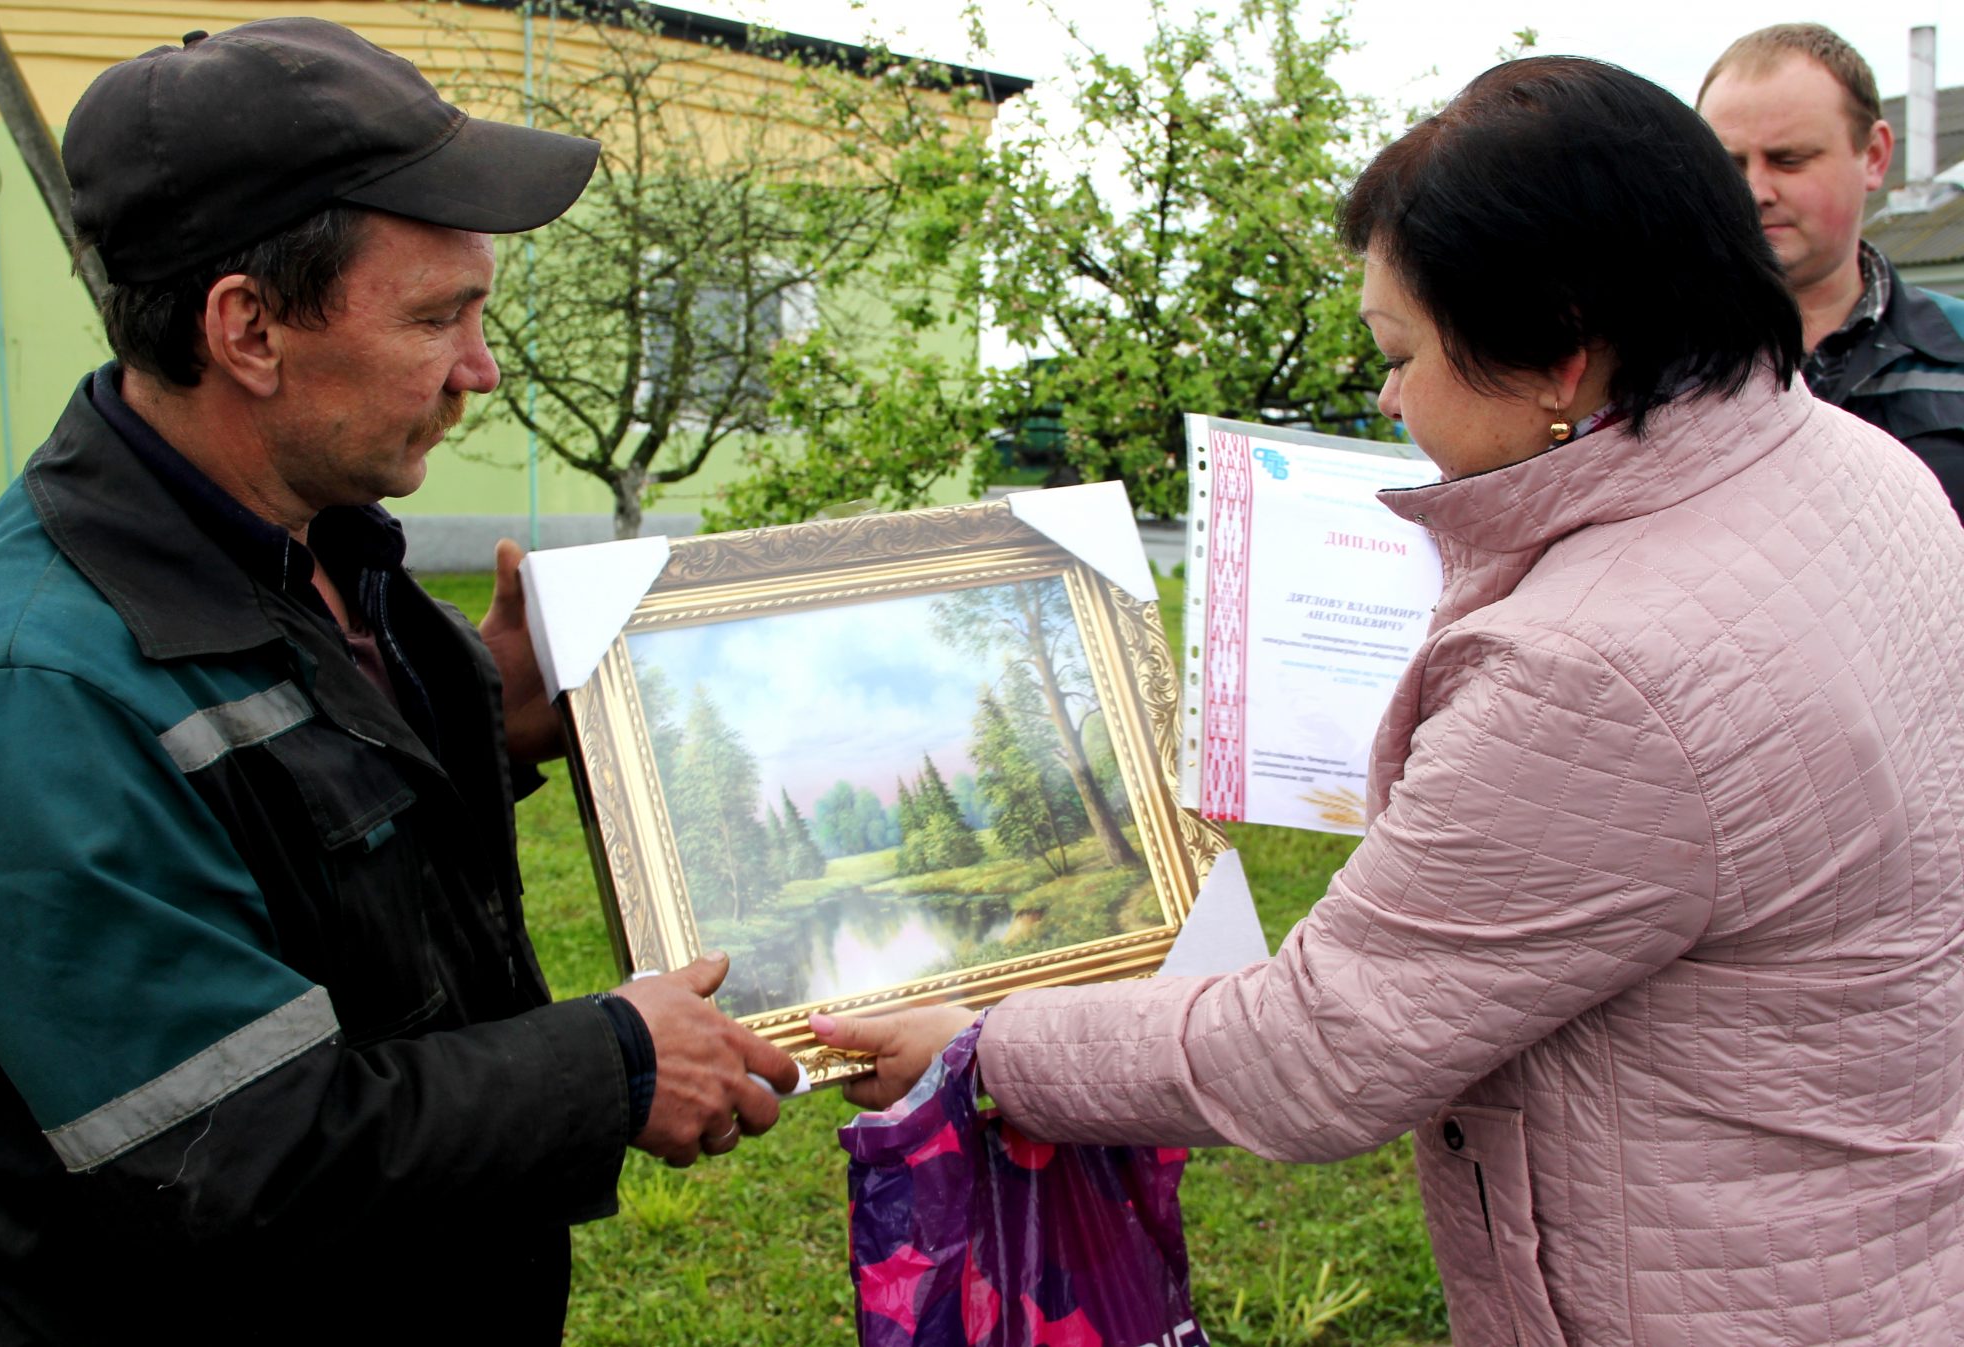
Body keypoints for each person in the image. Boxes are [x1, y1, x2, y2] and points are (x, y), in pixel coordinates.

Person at [818, 56, 1964, 1346]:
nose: (1385, 397)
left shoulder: (1597, 668)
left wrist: (987, 1050)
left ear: (1560, 359)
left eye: (1401, 353)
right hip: (1863, 1243)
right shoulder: (1865, 470)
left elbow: (1313, 1049)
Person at [0, 18, 797, 1345]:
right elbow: (226, 1150)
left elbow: (285, 829)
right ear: (249, 329)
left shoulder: (300, 527)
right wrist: (610, 1062)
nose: (480, 370)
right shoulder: (35, 692)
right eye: (438, 317)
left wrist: (479, 711)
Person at [1699, 22, 1964, 519]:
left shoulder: (1956, 353)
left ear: (1875, 155)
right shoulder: (1651, 361)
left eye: (1789, 160)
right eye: (1729, 165)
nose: (1756, 190)